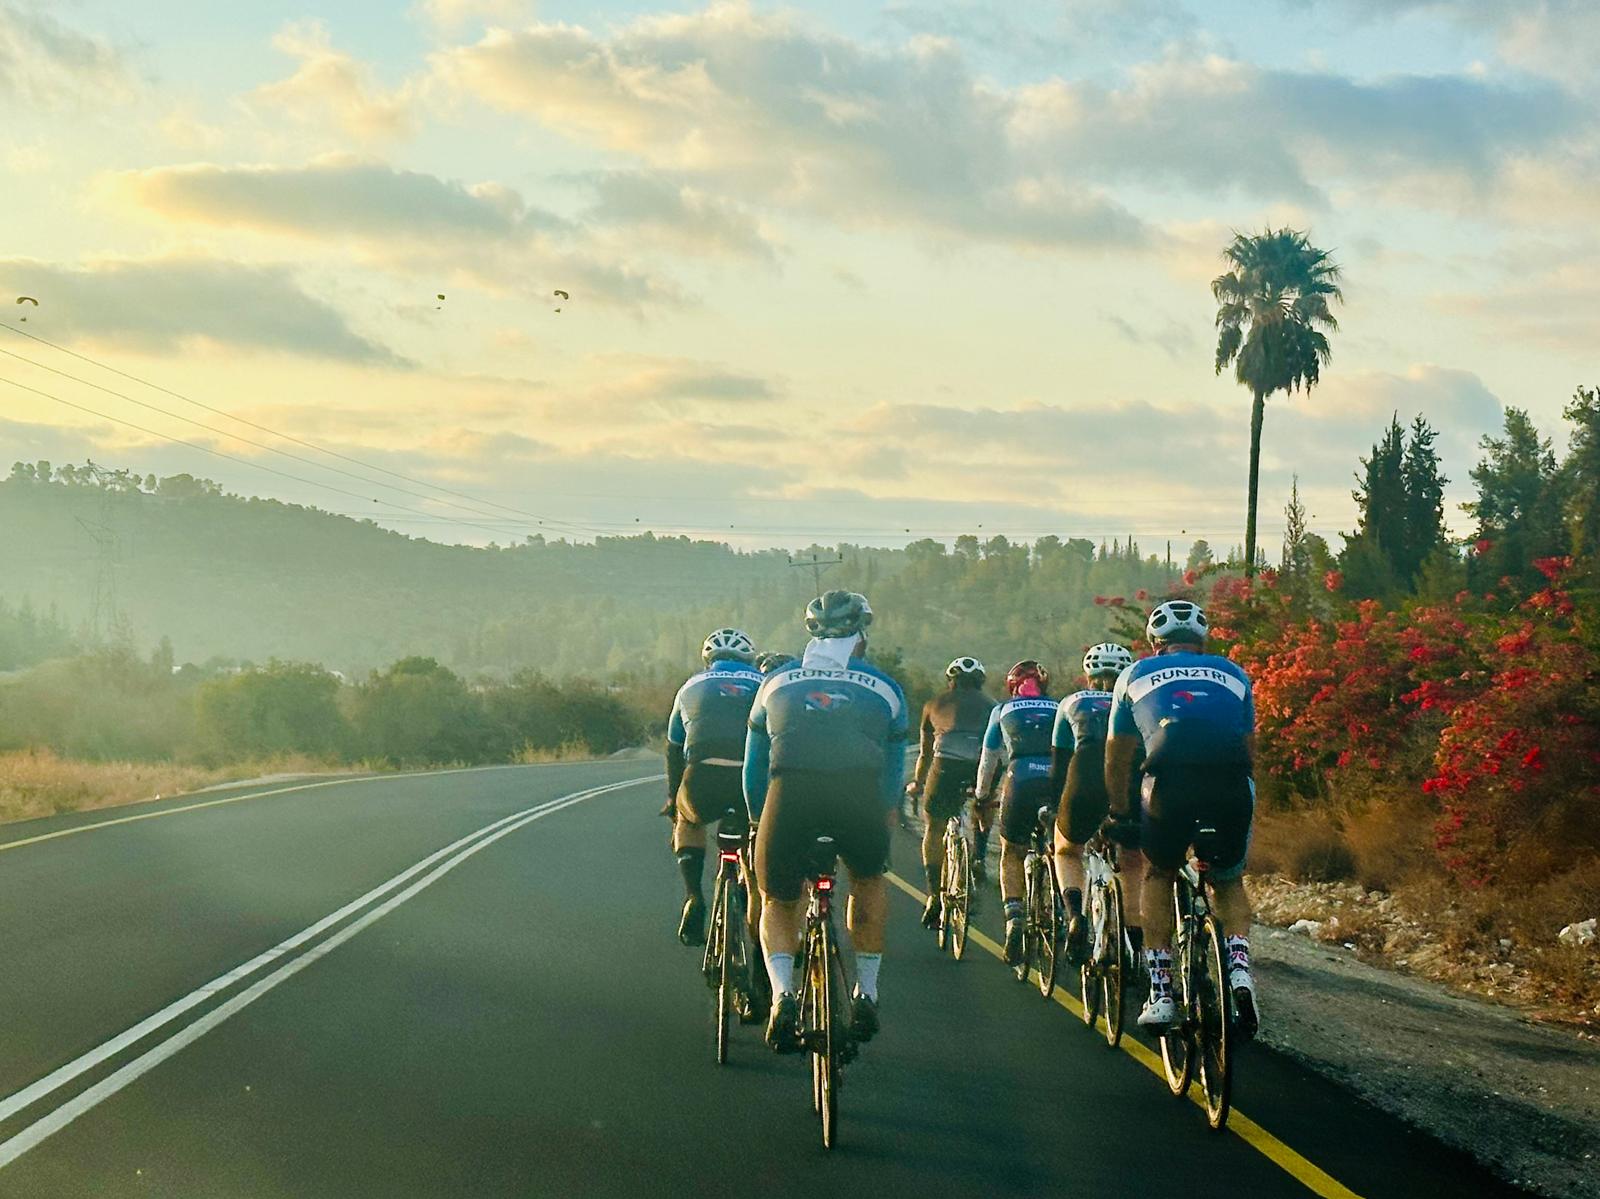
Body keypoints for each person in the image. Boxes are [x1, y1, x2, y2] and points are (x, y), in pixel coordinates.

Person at [744, 590, 906, 1053]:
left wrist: (759, 821)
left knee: (777, 899)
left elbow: (754, 767)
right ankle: (866, 993)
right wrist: (883, 821)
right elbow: (893, 773)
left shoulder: (775, 682)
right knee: (868, 881)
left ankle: (782, 995)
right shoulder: (886, 687)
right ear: (862, 635)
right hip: (858, 795)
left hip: (790, 794)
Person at [1105, 599, 1259, 1039]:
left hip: (1168, 788)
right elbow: (1249, 751)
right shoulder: (1235, 673)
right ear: (1202, 641)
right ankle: (1239, 968)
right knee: (1228, 880)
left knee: (1158, 874)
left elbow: (1117, 755)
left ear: (1156, 643)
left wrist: (1119, 812)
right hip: (1230, 786)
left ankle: (1162, 992)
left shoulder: (1133, 674)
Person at [664, 628, 761, 947]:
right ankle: (763, 948)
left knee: (687, 820)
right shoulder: (766, 685)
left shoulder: (689, 686)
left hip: (702, 778)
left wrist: (673, 800)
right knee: (754, 853)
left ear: (708, 660)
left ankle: (693, 895)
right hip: (748, 781)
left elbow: (674, 749)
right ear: (750, 659)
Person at [1051, 643, 1142, 965]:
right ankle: (1135, 942)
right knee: (1133, 861)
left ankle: (1075, 914)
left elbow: (1059, 765)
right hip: (1129, 778)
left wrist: (1055, 807)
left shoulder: (1070, 702)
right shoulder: (1135, 701)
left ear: (1088, 675)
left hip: (1084, 776)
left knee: (1066, 850)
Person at [975, 660, 1059, 966]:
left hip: (1019, 778)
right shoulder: (1060, 707)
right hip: (1056, 779)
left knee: (1011, 851)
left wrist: (982, 796)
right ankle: (1063, 910)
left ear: (1011, 687)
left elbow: (989, 759)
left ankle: (1014, 919)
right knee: (1064, 851)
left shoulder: (1002, 710)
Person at [906, 657, 994, 928]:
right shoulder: (993, 705)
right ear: (980, 681)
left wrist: (917, 783)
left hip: (945, 765)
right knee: (984, 803)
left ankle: (934, 894)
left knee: (934, 826)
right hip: (981, 764)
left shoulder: (933, 705)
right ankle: (979, 856)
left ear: (950, 681)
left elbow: (925, 754)